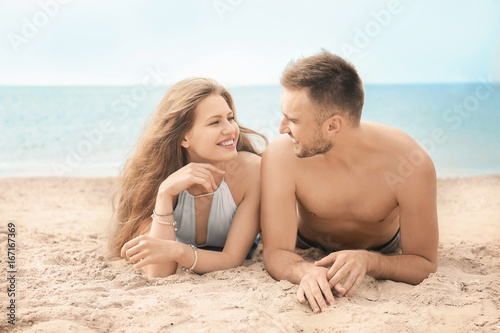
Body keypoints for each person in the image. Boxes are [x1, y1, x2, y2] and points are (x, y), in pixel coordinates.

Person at [261, 51, 438, 313]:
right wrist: (305, 271)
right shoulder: (281, 156)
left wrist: (369, 261)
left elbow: (424, 263)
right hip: (308, 242)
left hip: (382, 247)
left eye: (294, 120)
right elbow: (276, 253)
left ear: (333, 126)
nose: (282, 128)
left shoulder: (410, 163)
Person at [109, 77, 267, 278]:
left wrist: (177, 251)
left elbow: (232, 259)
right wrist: (165, 193)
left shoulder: (251, 170)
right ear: (184, 137)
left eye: (230, 118)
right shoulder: (154, 177)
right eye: (214, 122)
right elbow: (159, 272)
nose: (230, 129)